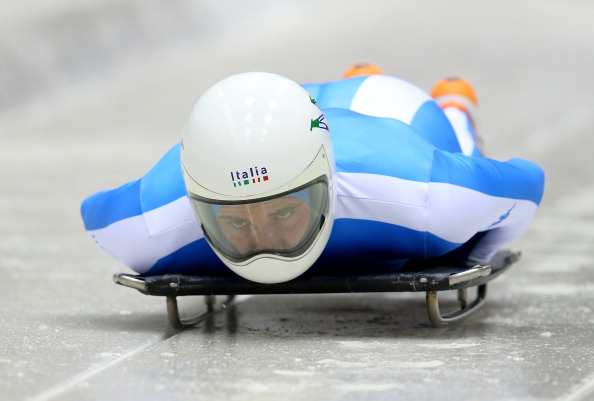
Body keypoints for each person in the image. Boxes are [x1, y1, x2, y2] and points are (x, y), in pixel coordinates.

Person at [81, 68, 545, 284]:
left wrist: (466, 249)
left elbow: (525, 182)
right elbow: (93, 212)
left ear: (329, 181)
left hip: (389, 113)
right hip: (280, 112)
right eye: (237, 221)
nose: (266, 240)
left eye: (284, 211)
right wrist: (459, 256)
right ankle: (361, 74)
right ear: (197, 200)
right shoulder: (154, 219)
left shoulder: (424, 192)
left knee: (453, 138)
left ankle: (454, 104)